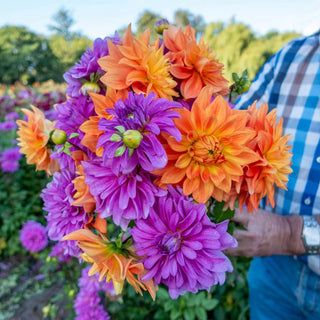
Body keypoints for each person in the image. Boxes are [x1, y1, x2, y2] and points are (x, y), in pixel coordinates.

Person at [227, 30, 320, 320]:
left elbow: (287, 234)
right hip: (274, 271)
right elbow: (231, 125)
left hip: (276, 245)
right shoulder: (292, 55)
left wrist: (289, 233)